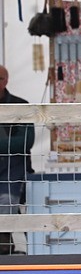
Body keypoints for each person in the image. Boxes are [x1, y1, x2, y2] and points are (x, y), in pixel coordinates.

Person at [0, 66, 34, 255]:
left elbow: (26, 142)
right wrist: (8, 143)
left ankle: (6, 251)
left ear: (6, 80)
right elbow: (18, 142)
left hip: (15, 169)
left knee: (8, 205)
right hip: (11, 165)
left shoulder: (21, 105)